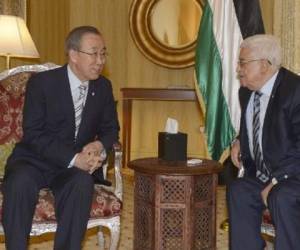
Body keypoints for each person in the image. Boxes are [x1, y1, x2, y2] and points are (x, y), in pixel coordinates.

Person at [2, 26, 119, 250]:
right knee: (19, 183)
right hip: (33, 160)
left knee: (82, 183)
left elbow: (111, 128)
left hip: (71, 171)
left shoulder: (102, 87)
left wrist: (98, 145)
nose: (100, 60)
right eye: (93, 53)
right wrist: (76, 158)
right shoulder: (43, 84)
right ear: (73, 55)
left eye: (103, 53)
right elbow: (33, 133)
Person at [228, 34, 300, 250]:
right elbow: (258, 124)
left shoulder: (294, 91)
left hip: (293, 175)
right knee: (239, 190)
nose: (239, 69)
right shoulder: (247, 92)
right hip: (263, 173)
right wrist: (239, 140)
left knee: (281, 197)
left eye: (243, 62)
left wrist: (277, 180)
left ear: (265, 65)